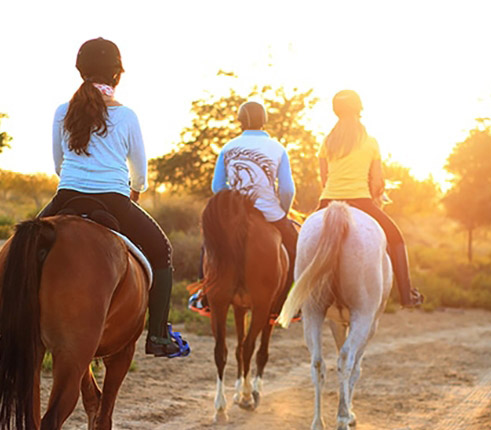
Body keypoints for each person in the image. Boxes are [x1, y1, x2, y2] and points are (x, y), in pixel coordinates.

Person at [38, 37, 189, 358]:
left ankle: (10, 328)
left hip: (66, 197)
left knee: (20, 253)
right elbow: (141, 173)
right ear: (116, 76)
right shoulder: (127, 116)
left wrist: (78, 180)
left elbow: (57, 163)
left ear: (81, 72)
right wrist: (135, 191)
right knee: (162, 251)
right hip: (115, 202)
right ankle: (159, 336)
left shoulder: (62, 111)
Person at [189, 101, 298, 320]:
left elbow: (217, 187)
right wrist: (282, 212)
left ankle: (205, 294)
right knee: (296, 248)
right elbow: (287, 189)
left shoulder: (228, 147)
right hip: (269, 213)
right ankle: (288, 303)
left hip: (235, 216)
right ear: (264, 121)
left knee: (209, 247)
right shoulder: (278, 148)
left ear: (239, 122)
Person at [318, 90, 423, 307]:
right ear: (359, 110)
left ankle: (295, 299)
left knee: (301, 242)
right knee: (396, 238)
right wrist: (376, 196)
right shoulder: (370, 142)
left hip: (327, 201)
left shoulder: (327, 142)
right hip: (361, 202)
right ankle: (406, 295)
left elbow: (323, 178)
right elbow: (377, 183)